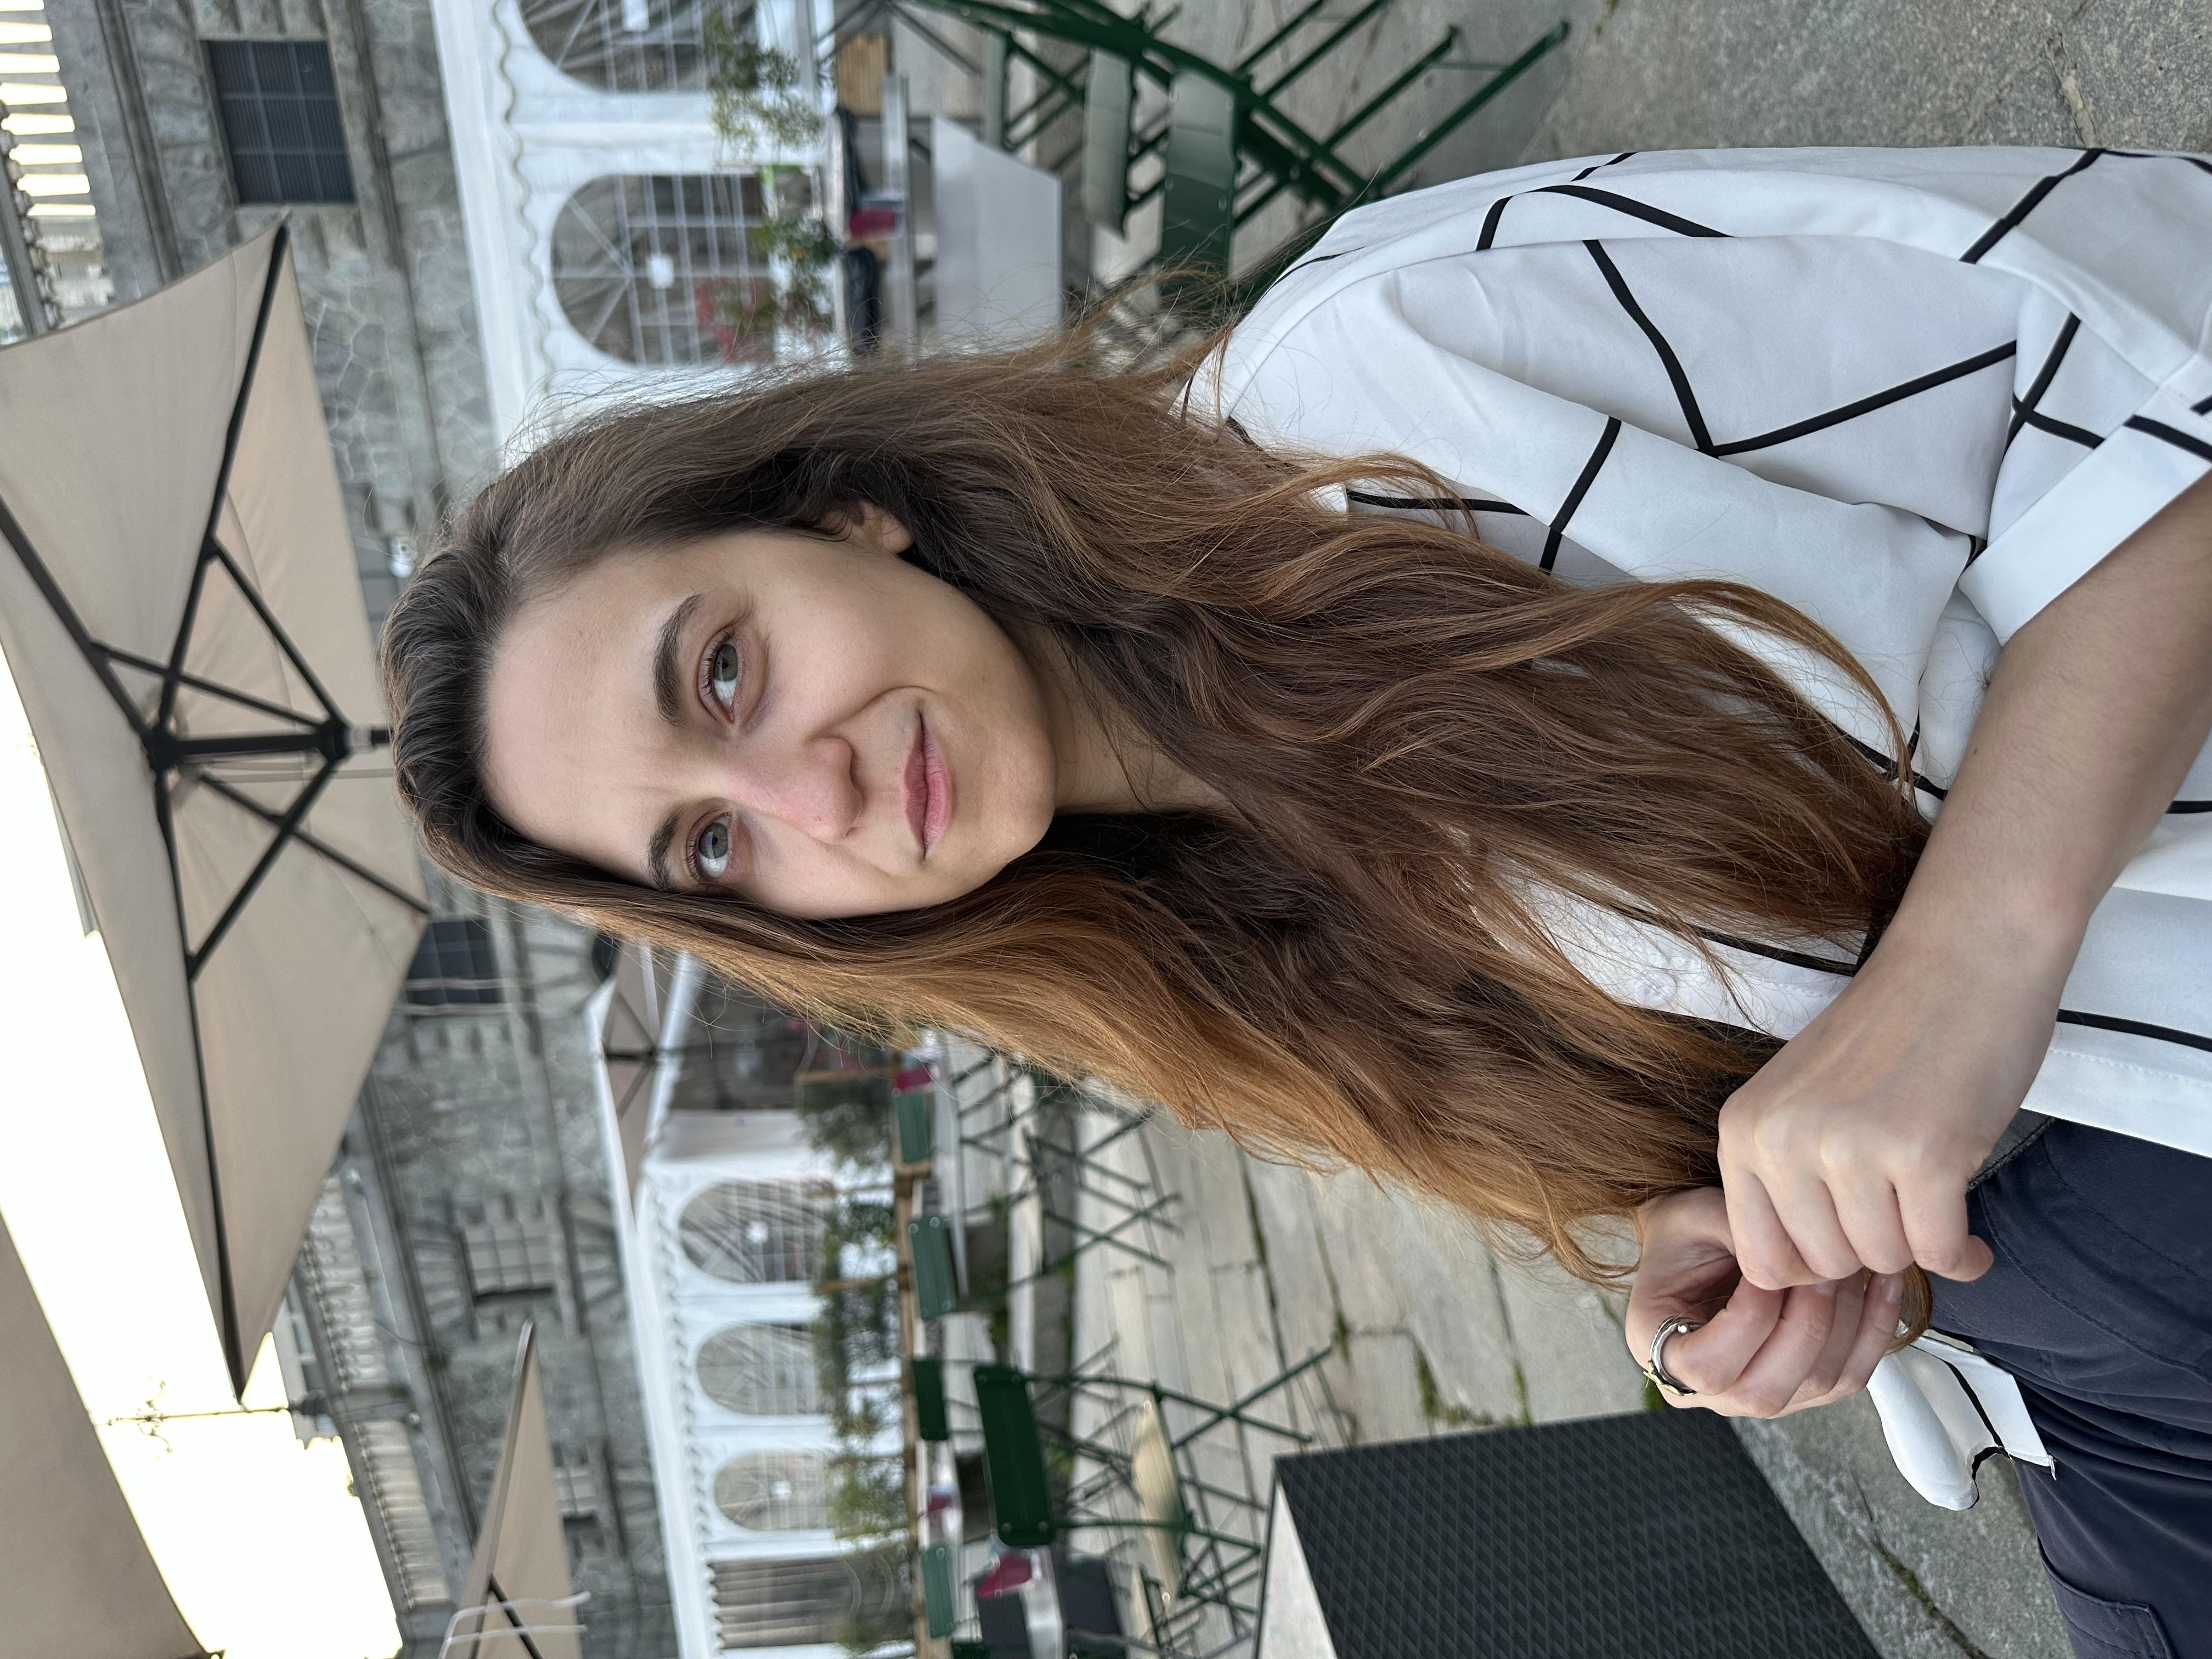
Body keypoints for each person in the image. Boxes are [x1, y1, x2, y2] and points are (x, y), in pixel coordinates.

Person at [383, 146, 2212, 1656]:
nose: (811, 797)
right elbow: (1801, 1061)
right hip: (2084, 1362)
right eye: (714, 850)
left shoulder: (1386, 373)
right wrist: (1735, 1245)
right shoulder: (1207, 962)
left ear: (843, 512)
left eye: (723, 673)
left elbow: (2166, 324)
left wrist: (1972, 956)